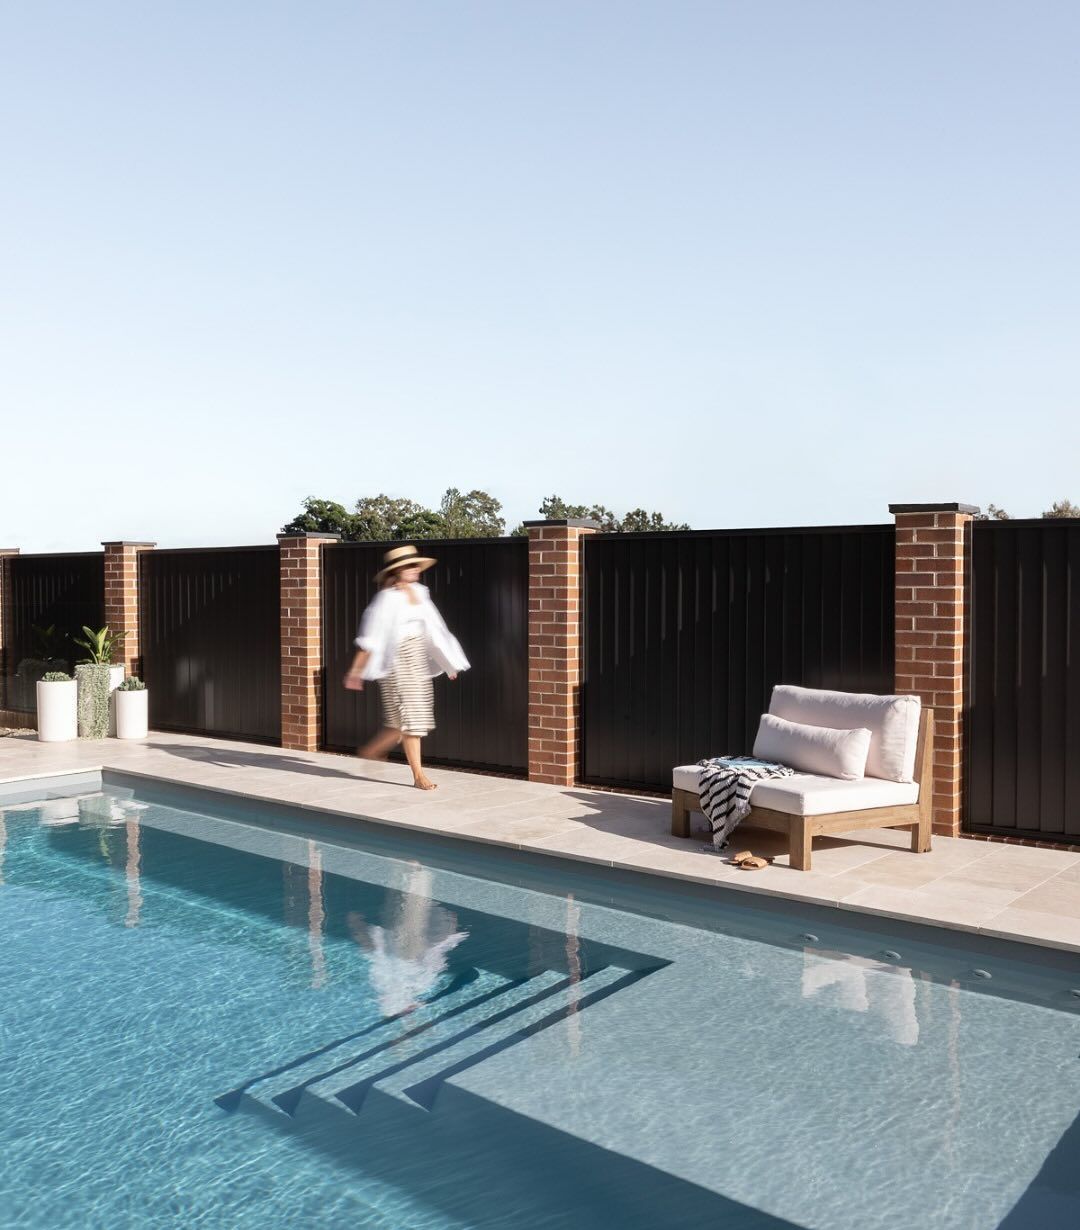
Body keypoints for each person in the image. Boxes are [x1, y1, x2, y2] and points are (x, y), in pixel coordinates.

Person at [343, 544, 470, 790]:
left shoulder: (420, 593)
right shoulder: (386, 599)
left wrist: (448, 663)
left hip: (417, 659)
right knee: (412, 718)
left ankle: (370, 750)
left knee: (398, 722)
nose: (416, 569)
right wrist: (356, 671)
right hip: (396, 661)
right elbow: (370, 636)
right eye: (410, 566)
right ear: (398, 570)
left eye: (417, 565)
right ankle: (418, 776)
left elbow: (435, 631)